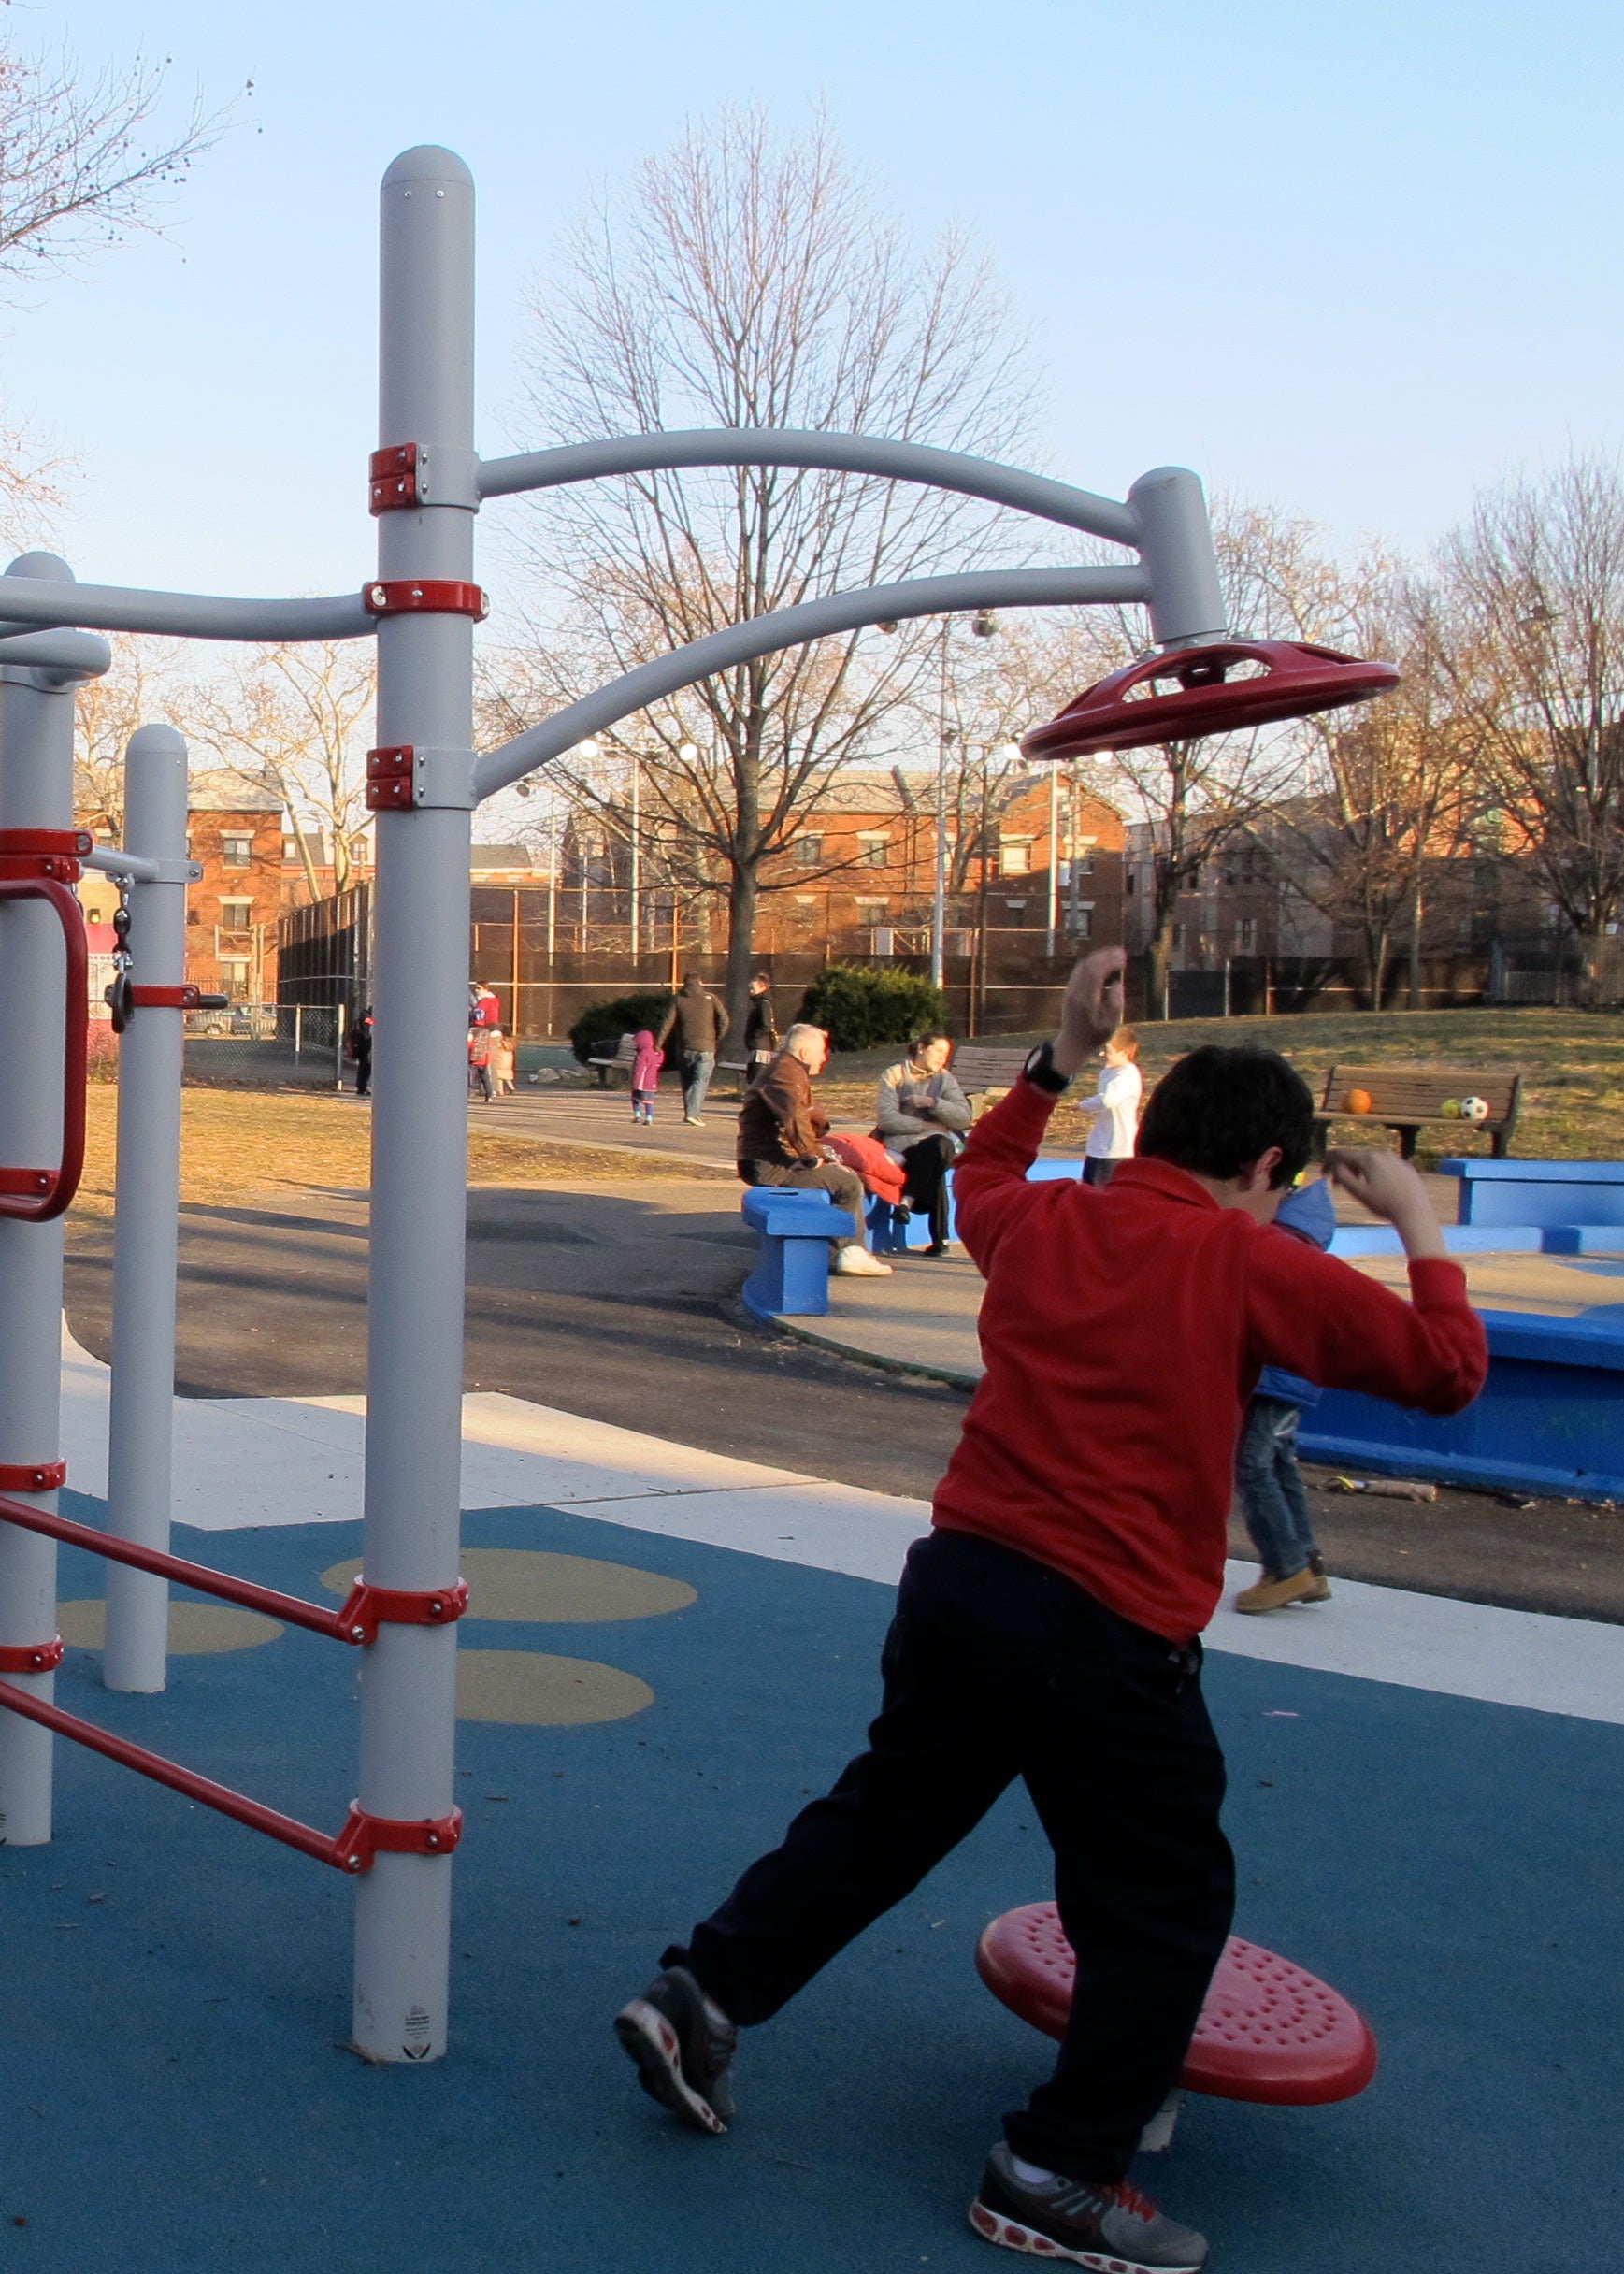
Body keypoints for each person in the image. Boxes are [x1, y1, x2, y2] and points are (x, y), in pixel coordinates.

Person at [613, 947, 1487, 2273]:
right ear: (1264, 1172)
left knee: (892, 1810)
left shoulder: (1050, 1219)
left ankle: (706, 1991)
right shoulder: (1241, 1261)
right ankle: (1059, 2169)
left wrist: (1058, 1056)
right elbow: (1442, 1373)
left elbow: (979, 1178)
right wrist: (1417, 1219)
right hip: (1102, 1624)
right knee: (1164, 1897)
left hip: (963, 1581)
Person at [1231, 1173, 1338, 1613]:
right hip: (1295, 1383)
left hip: (1276, 1380)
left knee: (1251, 1464)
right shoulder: (1310, 1254)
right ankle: (1307, 1562)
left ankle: (1286, 1566)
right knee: (1278, 1462)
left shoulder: (1276, 1248)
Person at [735, 1022, 891, 1278]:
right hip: (767, 1165)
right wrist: (811, 1157)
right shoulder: (786, 1072)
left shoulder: (785, 1069)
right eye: (822, 1051)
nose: (825, 1057)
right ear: (805, 1053)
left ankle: (838, 1254)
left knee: (839, 1175)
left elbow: (799, 1119)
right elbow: (794, 1117)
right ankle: (849, 1253)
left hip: (771, 1160)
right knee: (847, 1183)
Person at [873, 1031, 972, 1254]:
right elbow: (887, 1119)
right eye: (938, 1051)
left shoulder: (944, 1078)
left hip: (937, 1144)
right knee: (935, 1156)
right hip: (904, 1143)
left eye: (946, 1054)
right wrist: (925, 1126)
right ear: (921, 1048)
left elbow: (964, 1117)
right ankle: (940, 1239)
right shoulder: (894, 1075)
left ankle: (906, 1203)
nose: (943, 1059)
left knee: (938, 1146)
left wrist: (933, 1103)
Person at [656, 973, 730, 1126]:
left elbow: (667, 1023)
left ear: (684, 984)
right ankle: (693, 1113)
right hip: (706, 1047)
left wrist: (658, 1045)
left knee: (688, 1081)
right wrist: (717, 1037)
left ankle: (688, 1112)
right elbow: (724, 1019)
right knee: (700, 1080)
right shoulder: (711, 998)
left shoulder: (678, 999)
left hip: (684, 1047)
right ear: (700, 982)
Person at [1075, 1026, 1142, 1187]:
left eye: (1108, 1051)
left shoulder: (1127, 1074)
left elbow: (1107, 1100)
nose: (1102, 1054)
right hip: (1097, 1146)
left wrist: (1082, 1105)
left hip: (1117, 1150)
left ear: (1125, 1052)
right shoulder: (1107, 1073)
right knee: (1088, 1192)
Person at [742, 973, 779, 1074]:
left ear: (763, 988)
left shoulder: (764, 1004)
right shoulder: (758, 1004)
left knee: (756, 1079)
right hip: (756, 1048)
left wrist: (754, 1037)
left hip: (760, 1050)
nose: (751, 992)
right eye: (749, 989)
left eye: (753, 989)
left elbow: (766, 1026)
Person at [630, 1028, 664, 1127]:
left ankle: (637, 1115)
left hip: (641, 1083)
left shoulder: (642, 1054)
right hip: (652, 1083)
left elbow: (639, 1070)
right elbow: (658, 1062)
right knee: (649, 1102)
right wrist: (661, 1053)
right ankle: (649, 1117)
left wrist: (634, 1083)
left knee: (635, 1099)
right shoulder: (653, 1053)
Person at [345, 1006, 373, 1100]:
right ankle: (362, 1087)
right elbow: (368, 1032)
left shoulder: (364, 1017)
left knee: (364, 1068)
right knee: (366, 1068)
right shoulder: (367, 1019)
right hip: (365, 1047)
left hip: (361, 1047)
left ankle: (361, 1087)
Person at [467, 1022, 495, 1103]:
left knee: (470, 1079)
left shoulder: (471, 1032)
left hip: (473, 1060)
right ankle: (489, 1096)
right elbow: (489, 1047)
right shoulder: (487, 1033)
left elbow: (469, 1045)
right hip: (484, 1059)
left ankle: (468, 1094)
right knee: (486, 1079)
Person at [492, 1029, 517, 1098]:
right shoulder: (512, 1043)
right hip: (508, 1060)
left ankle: (501, 1091)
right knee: (507, 1077)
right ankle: (511, 1087)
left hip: (500, 1060)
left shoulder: (501, 1043)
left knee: (499, 1076)